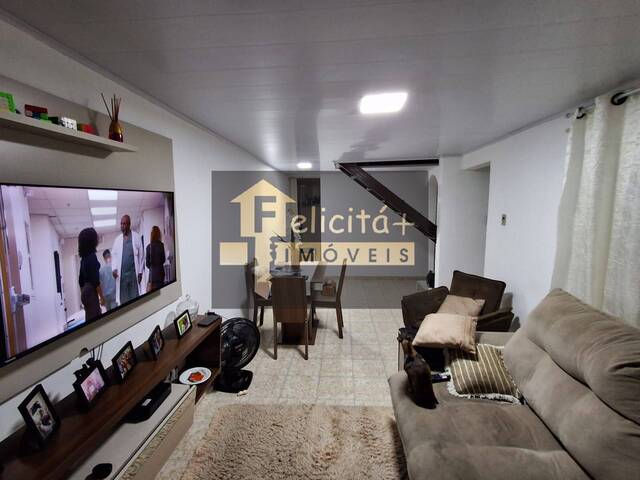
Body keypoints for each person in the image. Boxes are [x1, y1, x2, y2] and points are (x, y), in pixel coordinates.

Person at [111, 215, 144, 305]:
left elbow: (141, 255)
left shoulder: (136, 237)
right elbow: (114, 255)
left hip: (133, 275)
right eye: (121, 224)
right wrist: (114, 269)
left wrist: (140, 272)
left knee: (135, 299)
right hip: (122, 276)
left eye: (124, 224)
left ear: (129, 224)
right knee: (124, 301)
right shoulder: (117, 240)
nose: (122, 226)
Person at [78, 227, 105, 322]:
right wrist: (102, 297)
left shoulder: (83, 259)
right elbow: (95, 281)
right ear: (91, 240)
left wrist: (84, 295)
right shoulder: (92, 257)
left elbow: (80, 281)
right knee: (96, 321)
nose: (97, 238)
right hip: (90, 292)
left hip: (85, 293)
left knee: (90, 319)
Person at [146, 226, 166, 291]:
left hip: (152, 276)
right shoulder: (161, 245)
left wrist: (152, 267)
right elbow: (163, 260)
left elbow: (147, 264)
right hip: (160, 273)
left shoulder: (148, 247)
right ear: (158, 234)